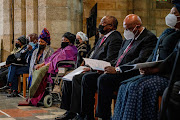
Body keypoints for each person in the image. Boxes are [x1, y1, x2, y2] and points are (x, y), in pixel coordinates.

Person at [80, 14, 157, 120]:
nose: (126, 31)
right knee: (88, 78)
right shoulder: (128, 38)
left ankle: (104, 116)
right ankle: (86, 116)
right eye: (125, 28)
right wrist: (104, 67)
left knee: (104, 79)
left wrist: (117, 70)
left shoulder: (149, 38)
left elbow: (141, 60)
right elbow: (118, 58)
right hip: (117, 70)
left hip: (130, 72)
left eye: (128, 28)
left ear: (137, 26)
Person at [113, 4, 180, 120]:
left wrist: (157, 68)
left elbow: (174, 56)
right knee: (125, 85)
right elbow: (154, 52)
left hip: (167, 74)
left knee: (137, 87)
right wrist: (145, 65)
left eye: (174, 13)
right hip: (155, 71)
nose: (170, 15)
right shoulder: (168, 32)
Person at [55, 15, 123, 120]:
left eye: (103, 23)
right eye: (101, 22)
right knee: (68, 78)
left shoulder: (115, 38)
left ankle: (84, 114)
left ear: (111, 26)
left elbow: (111, 59)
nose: (100, 25)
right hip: (91, 67)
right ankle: (70, 111)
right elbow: (93, 53)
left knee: (79, 78)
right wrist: (85, 63)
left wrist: (92, 68)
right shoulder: (103, 38)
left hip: (101, 70)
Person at [27, 32, 78, 106]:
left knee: (40, 72)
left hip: (59, 66)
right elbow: (51, 58)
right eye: (62, 40)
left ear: (70, 41)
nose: (63, 41)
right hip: (51, 64)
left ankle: (34, 96)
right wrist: (41, 64)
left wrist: (46, 65)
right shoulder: (61, 49)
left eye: (65, 40)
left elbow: (58, 59)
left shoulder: (71, 49)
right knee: (36, 70)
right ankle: (34, 95)